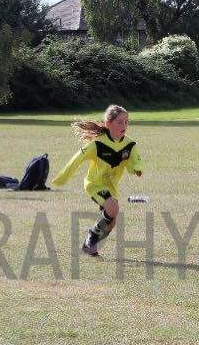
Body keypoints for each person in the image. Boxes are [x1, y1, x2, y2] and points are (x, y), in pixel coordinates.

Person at [51, 105, 143, 257]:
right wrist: (62, 177)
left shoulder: (130, 145)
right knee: (113, 209)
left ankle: (90, 247)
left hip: (111, 187)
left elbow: (136, 161)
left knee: (111, 222)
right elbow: (76, 159)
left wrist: (137, 168)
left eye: (126, 122)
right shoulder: (97, 144)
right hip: (94, 184)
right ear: (108, 124)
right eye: (120, 122)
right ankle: (91, 238)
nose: (124, 125)